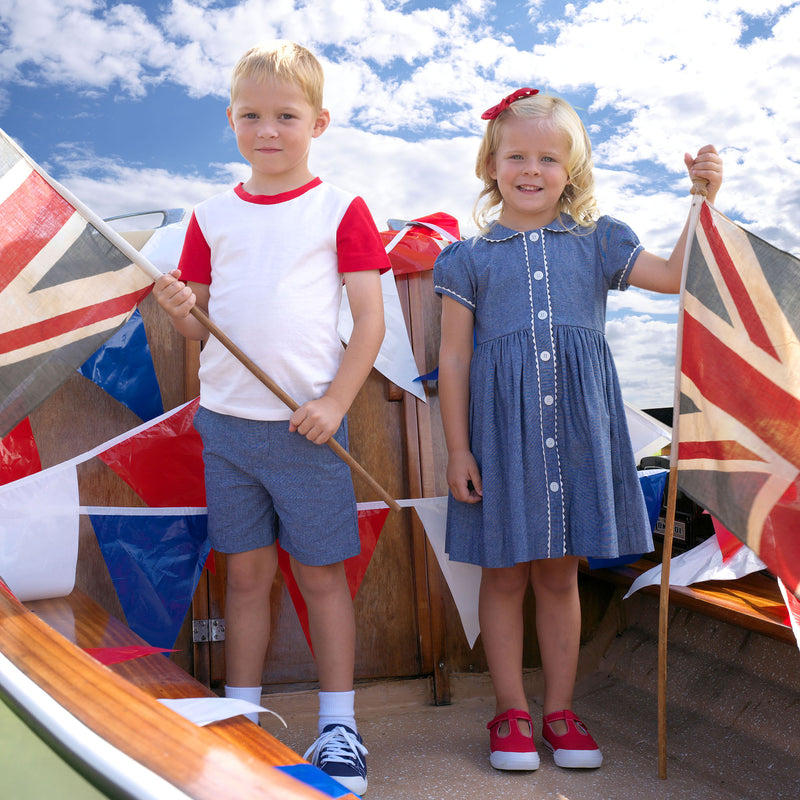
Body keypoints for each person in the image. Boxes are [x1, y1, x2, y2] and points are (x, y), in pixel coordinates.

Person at [434, 88, 722, 772]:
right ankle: (510, 713)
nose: (531, 170)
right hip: (499, 440)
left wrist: (701, 198)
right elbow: (452, 356)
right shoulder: (466, 259)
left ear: (572, 170)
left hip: (577, 434)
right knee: (502, 578)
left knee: (559, 576)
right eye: (517, 156)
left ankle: (558, 712)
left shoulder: (599, 240)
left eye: (548, 158)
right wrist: (456, 449)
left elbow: (678, 276)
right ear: (491, 163)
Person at [153, 41, 388, 796]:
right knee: (246, 575)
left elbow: (371, 322)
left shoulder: (340, 208)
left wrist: (335, 404)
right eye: (251, 115)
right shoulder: (210, 215)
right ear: (230, 121)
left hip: (307, 427)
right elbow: (199, 328)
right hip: (226, 426)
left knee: (322, 578)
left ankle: (339, 726)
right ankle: (242, 720)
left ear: (318, 122)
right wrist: (186, 310)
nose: (268, 130)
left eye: (286, 116)